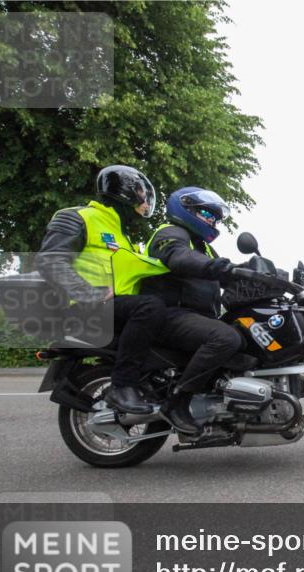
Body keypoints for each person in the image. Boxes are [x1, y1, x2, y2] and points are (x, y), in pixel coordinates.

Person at [35, 165, 168, 414]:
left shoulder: (121, 235)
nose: (144, 199)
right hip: (86, 309)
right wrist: (89, 293)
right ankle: (122, 386)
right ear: (125, 190)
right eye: (140, 191)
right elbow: (50, 260)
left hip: (118, 311)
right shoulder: (78, 217)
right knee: (150, 307)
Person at [142, 187, 241, 434]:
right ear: (186, 209)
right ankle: (177, 402)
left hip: (194, 317)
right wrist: (220, 268)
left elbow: (225, 271)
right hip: (170, 314)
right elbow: (178, 257)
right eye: (208, 214)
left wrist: (265, 275)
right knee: (224, 337)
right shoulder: (172, 233)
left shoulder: (201, 246)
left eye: (216, 217)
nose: (213, 220)